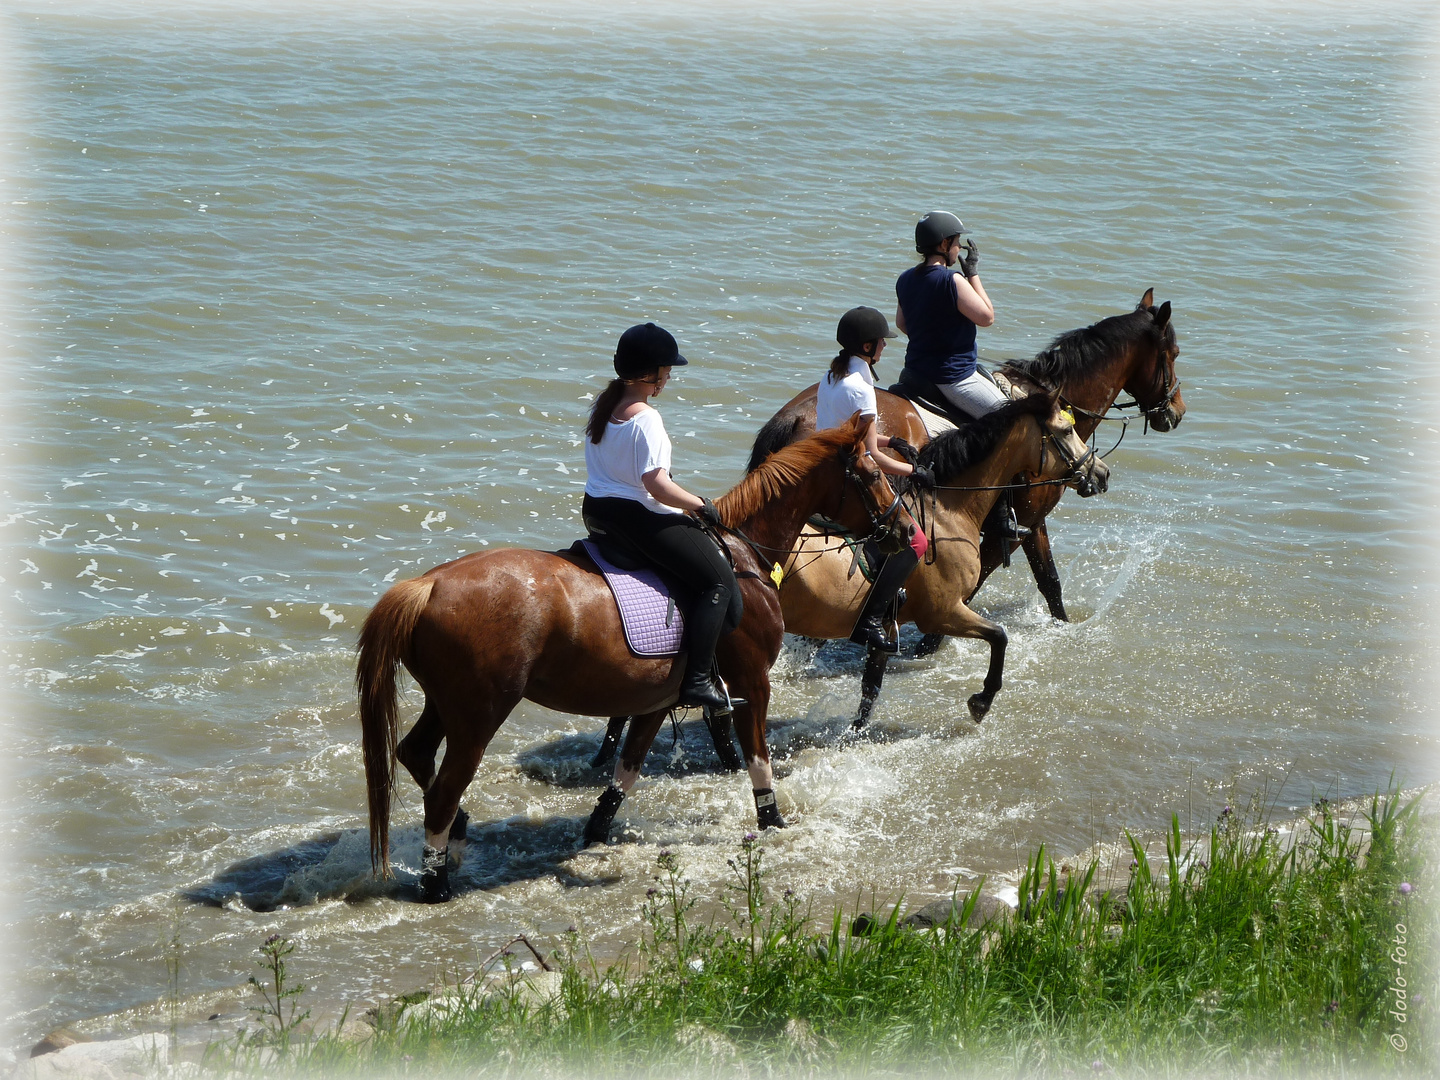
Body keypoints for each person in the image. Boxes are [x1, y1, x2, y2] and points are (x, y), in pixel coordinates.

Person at [581, 322, 743, 713]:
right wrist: (701, 505)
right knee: (718, 584)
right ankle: (698, 682)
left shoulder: (605, 405)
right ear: (650, 373)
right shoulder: (647, 419)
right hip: (637, 518)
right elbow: (656, 485)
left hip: (597, 512)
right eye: (666, 370)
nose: (669, 376)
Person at [895, 211, 1027, 543]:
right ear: (944, 244)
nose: (958, 248)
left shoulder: (905, 279)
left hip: (915, 372)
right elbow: (987, 316)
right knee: (1010, 426)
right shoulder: (951, 280)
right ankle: (998, 518)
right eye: (955, 242)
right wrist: (973, 275)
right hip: (954, 377)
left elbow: (902, 324)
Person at [817, 306, 934, 653]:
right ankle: (869, 620)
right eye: (882, 342)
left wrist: (892, 439)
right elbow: (873, 458)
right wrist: (917, 472)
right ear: (867, 347)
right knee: (916, 543)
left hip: (826, 466)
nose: (885, 346)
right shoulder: (861, 389)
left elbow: (849, 433)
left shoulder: (832, 376)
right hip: (851, 476)